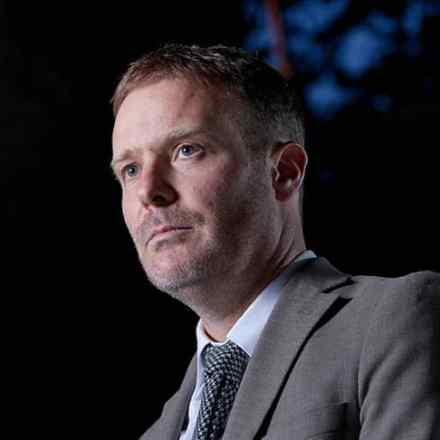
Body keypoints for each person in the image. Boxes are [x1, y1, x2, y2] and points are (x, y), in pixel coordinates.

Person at [110, 44, 440, 440]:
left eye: (187, 150)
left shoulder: (395, 320)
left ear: (284, 172)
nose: (148, 191)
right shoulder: (158, 432)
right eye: (130, 169)